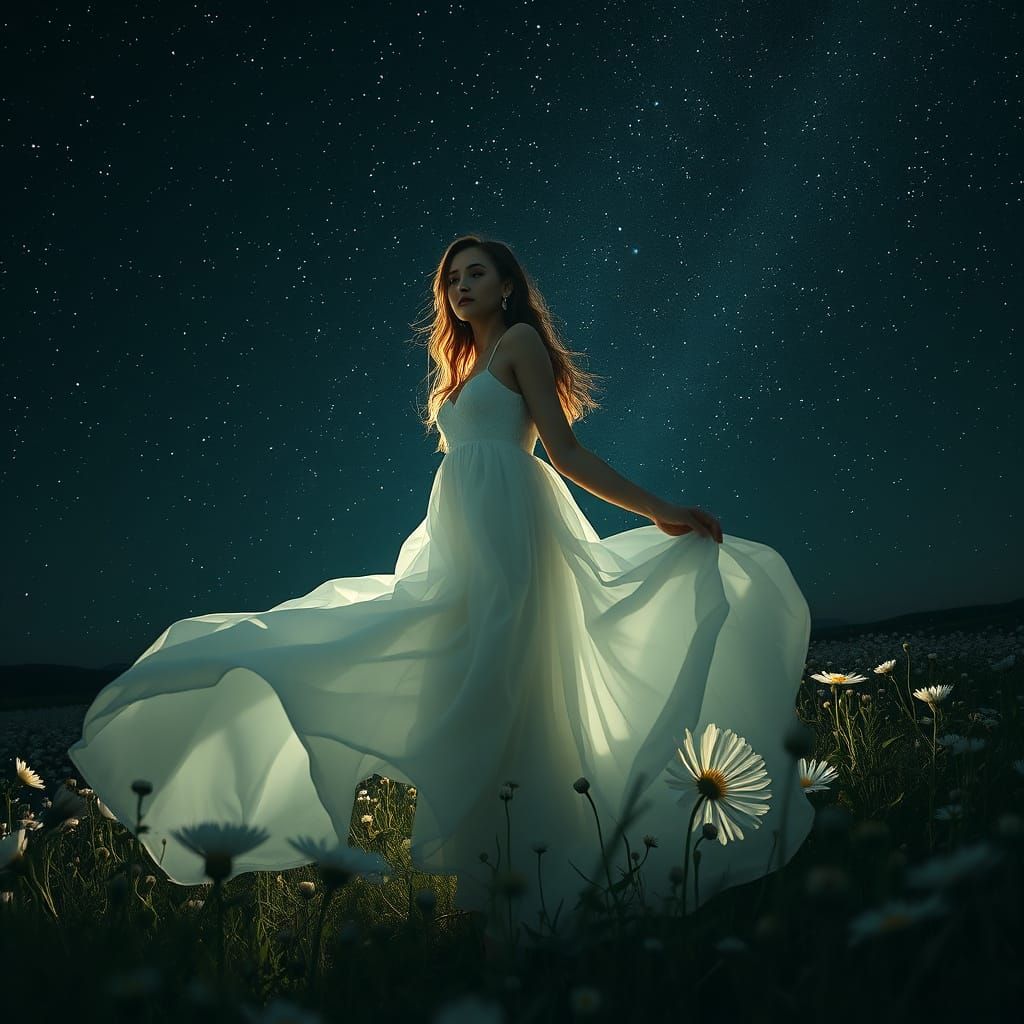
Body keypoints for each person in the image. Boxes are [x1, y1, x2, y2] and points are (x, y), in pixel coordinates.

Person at [68, 234, 813, 949]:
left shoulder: (520, 345)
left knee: (512, 703)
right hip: (460, 549)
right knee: (450, 687)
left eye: (477, 273)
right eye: (453, 277)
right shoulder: (457, 374)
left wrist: (662, 510)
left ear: (508, 284)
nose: (462, 286)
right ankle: (502, 900)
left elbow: (567, 452)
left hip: (515, 542)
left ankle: (527, 909)